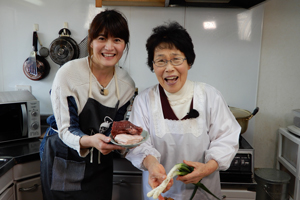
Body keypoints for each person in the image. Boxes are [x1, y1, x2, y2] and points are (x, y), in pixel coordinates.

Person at [125, 21, 241, 200]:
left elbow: (226, 138)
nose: (169, 68)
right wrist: (152, 164)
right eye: (161, 60)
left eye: (176, 59)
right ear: (153, 65)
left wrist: (208, 167)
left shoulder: (210, 96)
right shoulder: (144, 101)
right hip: (159, 191)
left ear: (189, 62)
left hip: (202, 192)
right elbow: (136, 143)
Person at [40, 9, 135, 200]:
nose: (109, 47)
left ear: (124, 45)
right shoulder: (69, 74)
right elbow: (67, 130)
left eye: (117, 40)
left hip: (100, 161)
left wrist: (119, 140)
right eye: (102, 38)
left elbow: (114, 129)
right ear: (91, 42)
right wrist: (92, 141)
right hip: (63, 156)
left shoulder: (126, 84)